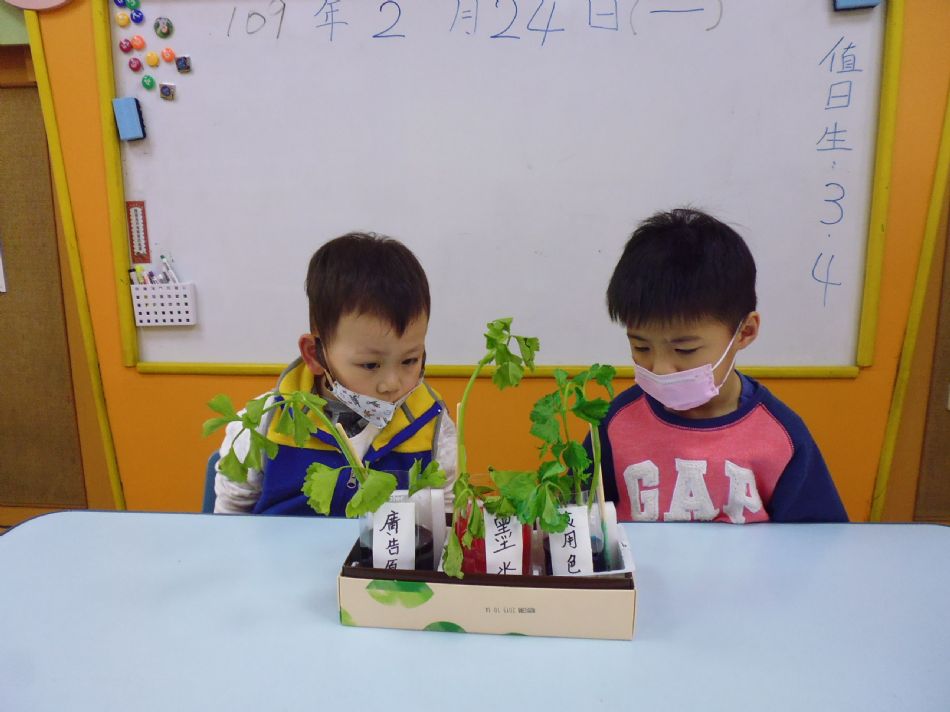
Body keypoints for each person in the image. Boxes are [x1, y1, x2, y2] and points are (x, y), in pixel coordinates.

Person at [596, 208, 848, 523]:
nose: (659, 369)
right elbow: (578, 520)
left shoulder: (780, 434)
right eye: (640, 347)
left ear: (744, 332)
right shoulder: (616, 422)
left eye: (685, 349)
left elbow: (817, 539)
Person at [214, 232, 456, 515]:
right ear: (315, 354)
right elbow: (230, 517)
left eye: (410, 360)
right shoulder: (265, 422)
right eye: (370, 365)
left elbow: (445, 516)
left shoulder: (433, 425)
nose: (392, 384)